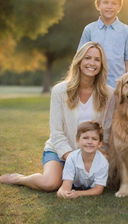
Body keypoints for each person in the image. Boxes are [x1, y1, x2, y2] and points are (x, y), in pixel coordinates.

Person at [0, 42, 114, 191]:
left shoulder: (109, 94)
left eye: (97, 59)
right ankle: (19, 178)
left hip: (90, 152)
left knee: (102, 184)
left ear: (101, 65)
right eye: (87, 58)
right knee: (50, 183)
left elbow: (107, 131)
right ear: (79, 61)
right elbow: (56, 132)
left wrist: (94, 158)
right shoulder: (60, 91)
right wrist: (72, 158)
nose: (92, 63)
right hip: (60, 150)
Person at [77, 0, 128, 88]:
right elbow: (80, 59)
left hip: (118, 87)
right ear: (98, 4)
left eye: (114, 3)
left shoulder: (127, 31)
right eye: (105, 2)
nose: (109, 6)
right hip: (93, 87)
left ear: (119, 7)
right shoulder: (89, 30)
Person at [57, 121, 108, 198]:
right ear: (78, 140)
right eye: (85, 138)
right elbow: (66, 186)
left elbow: (98, 189)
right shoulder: (72, 158)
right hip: (74, 184)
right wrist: (63, 192)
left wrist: (78, 193)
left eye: (94, 139)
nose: (90, 142)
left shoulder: (103, 162)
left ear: (100, 143)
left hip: (89, 187)